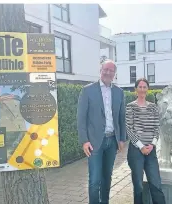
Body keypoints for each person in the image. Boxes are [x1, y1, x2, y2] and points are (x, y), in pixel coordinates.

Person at [77, 59, 126, 204]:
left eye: (111, 70)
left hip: (112, 141)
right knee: (94, 180)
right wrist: (84, 141)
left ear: (114, 74)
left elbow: (121, 118)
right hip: (94, 142)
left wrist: (122, 139)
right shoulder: (87, 90)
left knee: (107, 178)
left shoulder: (119, 92)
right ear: (101, 70)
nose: (108, 72)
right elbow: (81, 118)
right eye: (106, 69)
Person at [125, 78, 166, 204]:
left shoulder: (153, 107)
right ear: (135, 89)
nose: (142, 89)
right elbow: (129, 129)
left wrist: (152, 145)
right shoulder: (130, 106)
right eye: (140, 87)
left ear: (147, 89)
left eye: (144, 87)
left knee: (156, 183)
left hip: (151, 150)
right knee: (138, 186)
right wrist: (141, 146)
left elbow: (156, 127)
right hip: (136, 151)